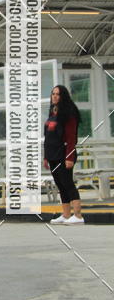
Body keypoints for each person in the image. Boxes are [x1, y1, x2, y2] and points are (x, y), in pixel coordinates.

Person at [44, 84, 84, 224]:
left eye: (58, 94)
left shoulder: (69, 113)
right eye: (53, 93)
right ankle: (66, 214)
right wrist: (46, 156)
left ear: (63, 96)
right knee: (60, 184)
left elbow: (71, 137)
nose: (54, 96)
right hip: (53, 155)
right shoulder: (53, 111)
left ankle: (78, 216)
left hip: (64, 154)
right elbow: (48, 136)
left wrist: (69, 157)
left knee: (67, 183)